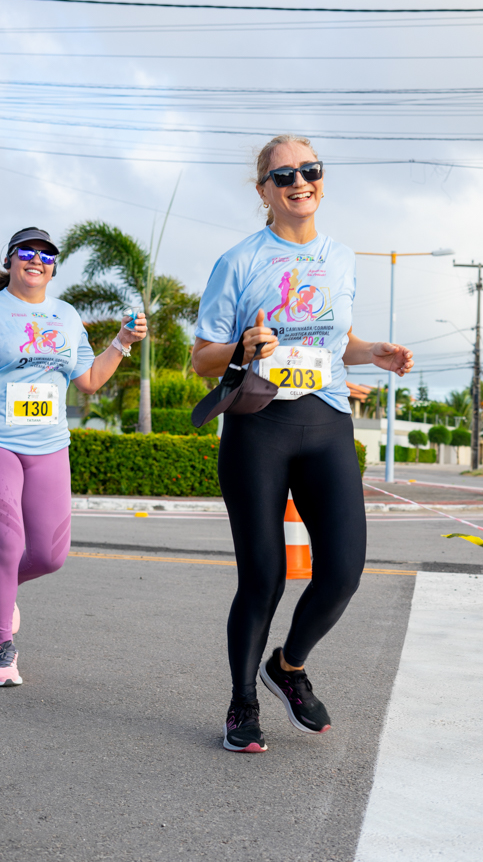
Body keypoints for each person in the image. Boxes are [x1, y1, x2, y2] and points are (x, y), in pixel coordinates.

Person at [192, 134, 413, 753]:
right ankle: (241, 705)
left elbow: (338, 343)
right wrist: (242, 347)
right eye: (284, 174)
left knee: (342, 570)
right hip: (259, 427)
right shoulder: (239, 260)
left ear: (321, 179)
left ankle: (287, 666)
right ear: (263, 189)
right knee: (262, 578)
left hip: (327, 423)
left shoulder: (341, 258)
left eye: (309, 170)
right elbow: (202, 359)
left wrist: (375, 353)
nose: (299, 182)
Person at [0, 227, 147, 685]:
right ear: (9, 261)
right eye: (26, 252)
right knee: (6, 543)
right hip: (2, 441)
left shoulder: (66, 316)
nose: (36, 260)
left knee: (48, 554)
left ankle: (3, 595)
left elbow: (88, 381)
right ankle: (4, 649)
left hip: (50, 446)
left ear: (54, 266)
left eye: (46, 255)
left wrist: (122, 341)